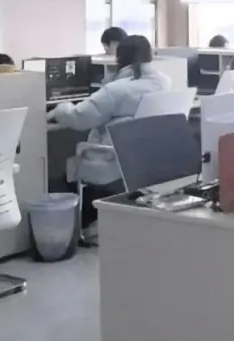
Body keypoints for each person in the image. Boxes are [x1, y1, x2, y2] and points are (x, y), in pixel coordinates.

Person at [48, 35, 171, 244]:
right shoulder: (164, 82)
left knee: (58, 162)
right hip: (144, 156)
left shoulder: (117, 89)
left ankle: (76, 222)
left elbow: (80, 117)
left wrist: (58, 110)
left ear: (119, 57)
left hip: (110, 157)